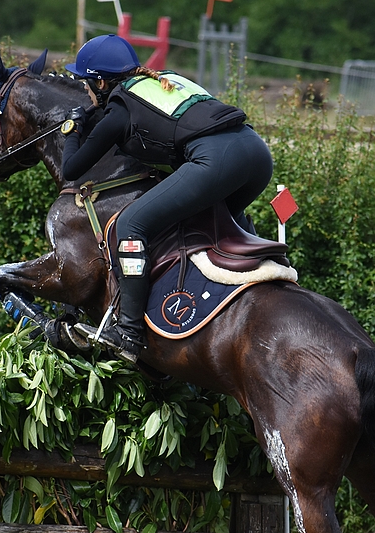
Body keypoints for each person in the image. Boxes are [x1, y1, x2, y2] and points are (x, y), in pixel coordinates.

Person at [63, 34, 273, 364]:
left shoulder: (118, 110)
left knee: (131, 225)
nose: (86, 92)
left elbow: (71, 169)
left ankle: (129, 333)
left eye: (86, 84)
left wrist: (72, 129)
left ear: (101, 83)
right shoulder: (164, 80)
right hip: (257, 155)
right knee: (214, 225)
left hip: (217, 161)